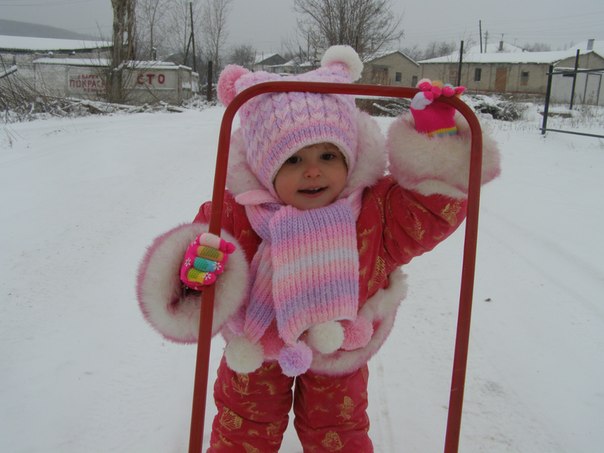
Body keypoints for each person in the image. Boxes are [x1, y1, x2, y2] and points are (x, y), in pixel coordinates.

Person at [136, 45, 501, 452]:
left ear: (348, 157)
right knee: (243, 426)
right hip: (257, 344)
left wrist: (438, 138)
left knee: (337, 430)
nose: (313, 171)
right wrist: (195, 273)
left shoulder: (376, 211)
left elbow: (429, 209)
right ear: (264, 168)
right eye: (292, 160)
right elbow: (199, 260)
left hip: (339, 344)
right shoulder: (235, 213)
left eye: (328, 155)